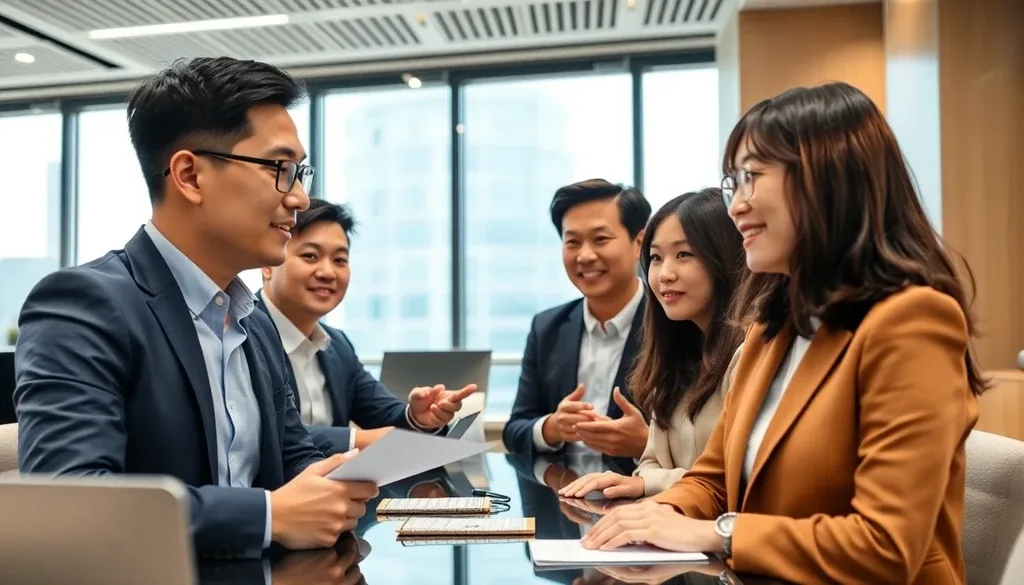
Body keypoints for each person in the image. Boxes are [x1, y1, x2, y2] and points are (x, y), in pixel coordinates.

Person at [581, 82, 985, 585]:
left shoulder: (912, 320)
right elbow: (712, 479)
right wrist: (658, 519)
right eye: (734, 185)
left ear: (826, 179)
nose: (736, 207)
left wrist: (719, 535)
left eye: (751, 178)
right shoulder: (771, 330)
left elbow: (885, 546)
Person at [14, 57, 378, 557]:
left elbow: (292, 459)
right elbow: (71, 501)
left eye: (300, 173)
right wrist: (269, 516)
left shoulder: (253, 321)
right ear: (189, 175)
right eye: (280, 169)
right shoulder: (85, 305)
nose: (299, 197)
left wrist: (338, 484)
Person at [558, 188, 749, 500]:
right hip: (672, 530)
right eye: (656, 258)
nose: (664, 274)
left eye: (684, 254)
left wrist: (652, 482)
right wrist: (649, 479)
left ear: (726, 257)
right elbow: (647, 463)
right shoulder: (677, 357)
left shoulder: (749, 355)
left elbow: (737, 483)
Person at [255, 198, 477, 454]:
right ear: (268, 264)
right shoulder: (242, 334)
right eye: (310, 256)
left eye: (340, 260)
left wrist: (418, 416)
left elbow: (383, 414)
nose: (328, 272)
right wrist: (360, 440)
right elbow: (267, 433)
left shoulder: (337, 346)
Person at [502, 179, 653, 474]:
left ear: (639, 243)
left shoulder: (673, 324)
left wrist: (647, 444)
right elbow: (515, 429)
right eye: (572, 242)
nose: (584, 256)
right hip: (563, 503)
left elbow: (708, 445)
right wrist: (552, 428)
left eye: (600, 239)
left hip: (645, 505)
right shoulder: (547, 327)